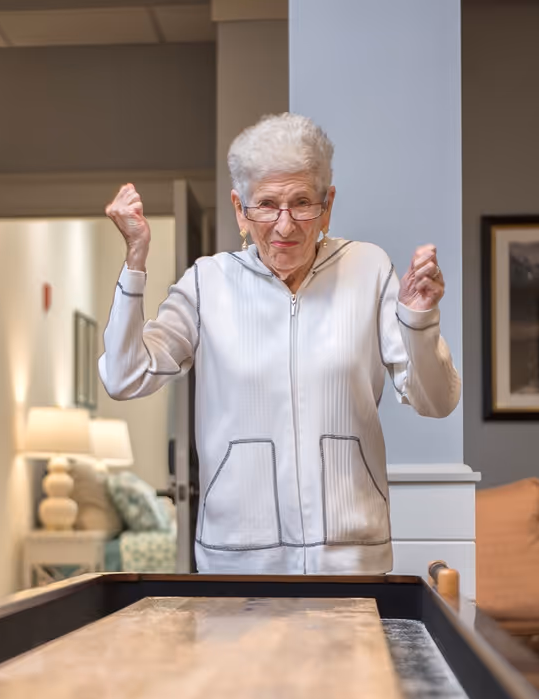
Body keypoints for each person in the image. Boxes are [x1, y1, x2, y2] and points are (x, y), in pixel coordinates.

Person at [100, 112, 460, 575]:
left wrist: (419, 318)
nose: (285, 225)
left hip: (350, 557)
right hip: (237, 559)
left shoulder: (368, 269)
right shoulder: (208, 282)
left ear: (327, 206)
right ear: (240, 210)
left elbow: (437, 400)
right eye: (267, 204)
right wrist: (135, 261)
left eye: (302, 203)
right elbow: (122, 377)